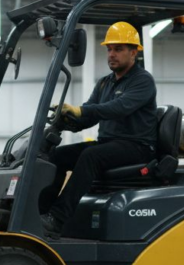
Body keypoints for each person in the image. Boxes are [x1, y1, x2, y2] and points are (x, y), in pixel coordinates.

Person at [40, 21, 158, 238]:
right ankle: (41, 213)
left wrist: (82, 111)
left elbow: (118, 108)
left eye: (119, 49)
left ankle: (57, 219)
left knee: (90, 156)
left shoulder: (143, 81)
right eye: (109, 49)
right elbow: (89, 115)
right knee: (56, 155)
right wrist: (68, 119)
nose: (112, 54)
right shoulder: (105, 83)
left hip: (137, 146)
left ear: (134, 52)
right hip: (110, 144)